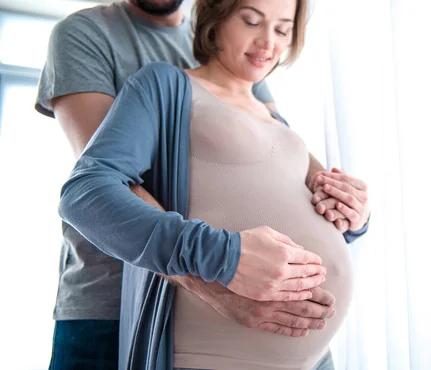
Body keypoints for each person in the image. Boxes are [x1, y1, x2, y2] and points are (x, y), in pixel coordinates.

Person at [36, 0, 370, 368]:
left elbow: (278, 184)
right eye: (251, 21)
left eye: (282, 30)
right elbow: (101, 187)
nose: (267, 42)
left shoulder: (259, 92)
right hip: (117, 302)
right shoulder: (128, 59)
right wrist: (218, 268)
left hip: (308, 352)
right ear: (218, 19)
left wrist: (349, 211)